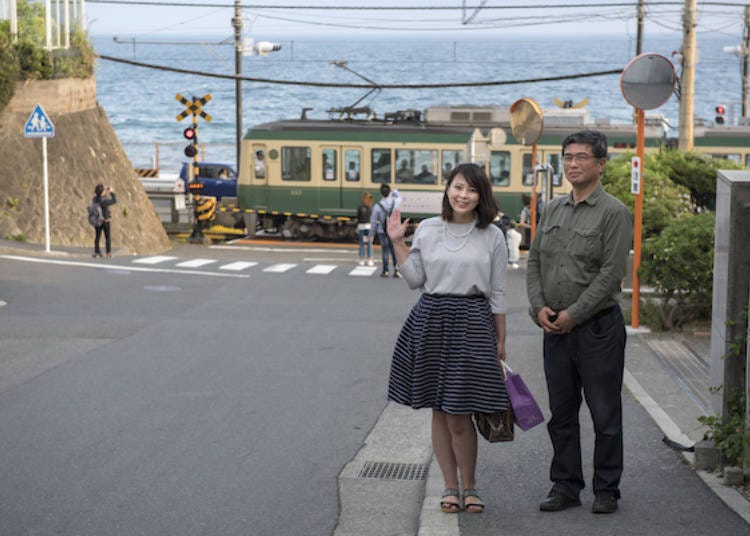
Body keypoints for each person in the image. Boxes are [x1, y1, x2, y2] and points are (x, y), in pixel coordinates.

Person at [386, 163, 509, 514]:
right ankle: (449, 486)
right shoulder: (427, 229)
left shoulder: (492, 235)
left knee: (460, 411)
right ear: (447, 189)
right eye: (457, 187)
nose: (462, 195)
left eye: (471, 189)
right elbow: (414, 280)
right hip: (431, 319)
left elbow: (499, 293)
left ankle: (469, 484)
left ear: (480, 195)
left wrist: (500, 341)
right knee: (439, 410)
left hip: (473, 322)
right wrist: (397, 243)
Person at [526, 130, 632, 515]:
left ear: (600, 164)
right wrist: (538, 307)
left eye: (581, 157)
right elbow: (534, 260)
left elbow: (610, 274)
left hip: (598, 329)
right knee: (562, 413)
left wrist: (574, 315)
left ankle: (607, 489)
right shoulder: (553, 208)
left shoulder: (614, 212)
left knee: (605, 415)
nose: (572, 163)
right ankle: (565, 485)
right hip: (554, 328)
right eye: (567, 157)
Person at [369, 184, 400, 278]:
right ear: (389, 192)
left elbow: (373, 221)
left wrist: (371, 233)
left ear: (381, 193)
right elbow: (399, 197)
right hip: (393, 231)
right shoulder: (395, 203)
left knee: (385, 250)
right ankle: (396, 270)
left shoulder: (377, 206)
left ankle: (385, 271)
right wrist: (394, 191)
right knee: (394, 251)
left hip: (382, 231)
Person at [92, 183, 117, 258]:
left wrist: (103, 189)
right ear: (102, 192)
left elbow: (99, 194)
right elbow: (114, 201)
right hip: (105, 220)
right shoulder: (105, 201)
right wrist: (111, 192)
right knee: (107, 237)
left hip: (98, 220)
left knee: (97, 236)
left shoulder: (94, 199)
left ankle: (97, 251)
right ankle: (108, 252)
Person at [356, 191, 374, 266]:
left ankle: (362, 259)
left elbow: (358, 217)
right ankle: (369, 259)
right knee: (369, 243)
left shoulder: (360, 207)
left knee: (362, 244)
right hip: (368, 227)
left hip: (362, 227)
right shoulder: (372, 207)